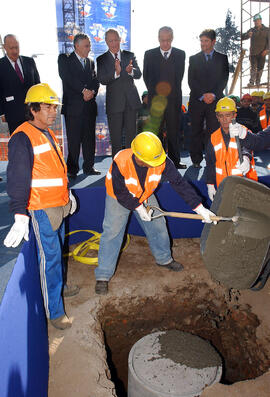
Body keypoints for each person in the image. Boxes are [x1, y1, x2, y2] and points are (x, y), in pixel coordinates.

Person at [94, 131, 216, 295]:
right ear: (138, 156)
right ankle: (103, 275)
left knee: (158, 225)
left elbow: (179, 184)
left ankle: (164, 259)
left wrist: (199, 208)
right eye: (149, 162)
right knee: (113, 231)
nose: (155, 165)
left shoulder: (161, 160)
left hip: (144, 194)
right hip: (118, 196)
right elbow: (120, 191)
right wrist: (138, 207)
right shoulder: (121, 160)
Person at [4, 83, 77, 330]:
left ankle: (60, 286)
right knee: (51, 258)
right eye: (48, 107)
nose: (54, 112)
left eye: (55, 107)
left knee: (58, 252)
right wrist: (19, 213)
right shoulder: (23, 137)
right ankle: (54, 312)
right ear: (33, 109)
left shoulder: (47, 132)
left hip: (59, 205)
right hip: (42, 208)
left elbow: (55, 170)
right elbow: (17, 177)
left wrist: (68, 195)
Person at [143, 26, 186, 169]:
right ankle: (157, 161)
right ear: (158, 39)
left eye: (168, 40)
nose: (165, 43)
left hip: (173, 101)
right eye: (162, 40)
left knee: (173, 132)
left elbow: (178, 78)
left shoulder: (180, 54)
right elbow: (147, 77)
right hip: (156, 102)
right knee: (157, 133)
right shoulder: (149, 54)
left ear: (172, 38)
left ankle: (175, 161)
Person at [58, 33, 100, 179]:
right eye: (87, 45)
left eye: (89, 45)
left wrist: (92, 91)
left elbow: (96, 80)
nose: (89, 48)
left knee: (89, 140)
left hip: (89, 107)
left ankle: (89, 166)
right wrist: (83, 90)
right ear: (77, 46)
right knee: (74, 140)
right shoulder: (65, 60)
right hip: (73, 109)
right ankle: (72, 169)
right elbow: (67, 77)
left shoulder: (90, 62)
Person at [97, 29, 141, 158]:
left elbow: (138, 74)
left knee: (131, 138)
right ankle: (117, 167)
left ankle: (131, 165)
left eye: (116, 39)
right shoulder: (101, 59)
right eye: (111, 41)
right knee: (115, 139)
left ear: (120, 39)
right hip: (114, 104)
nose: (114, 43)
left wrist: (130, 71)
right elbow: (102, 79)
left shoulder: (129, 55)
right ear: (106, 42)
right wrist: (116, 72)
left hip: (131, 103)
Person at [188, 29, 229, 168]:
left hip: (215, 102)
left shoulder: (222, 58)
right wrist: (203, 95)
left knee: (213, 132)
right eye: (201, 41)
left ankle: (212, 159)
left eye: (206, 41)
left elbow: (224, 79)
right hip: (197, 101)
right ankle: (196, 160)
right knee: (196, 131)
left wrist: (213, 95)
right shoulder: (193, 59)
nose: (203, 44)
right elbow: (191, 81)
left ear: (213, 41)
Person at [206, 97, 258, 201]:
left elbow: (246, 149)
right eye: (221, 116)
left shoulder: (244, 132)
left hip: (245, 185)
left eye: (228, 115)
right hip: (224, 187)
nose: (224, 119)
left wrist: (246, 158)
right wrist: (210, 184)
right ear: (217, 117)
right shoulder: (213, 138)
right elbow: (210, 163)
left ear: (234, 115)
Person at [0, 34, 40, 134]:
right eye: (11, 48)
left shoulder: (29, 62)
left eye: (17, 47)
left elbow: (37, 85)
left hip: (33, 113)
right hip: (13, 114)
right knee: (19, 145)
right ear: (4, 47)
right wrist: (1, 113)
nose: (14, 51)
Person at [242, 14, 269, 87]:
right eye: (255, 21)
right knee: (253, 68)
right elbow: (242, 37)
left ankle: (258, 82)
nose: (256, 22)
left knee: (260, 68)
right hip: (253, 53)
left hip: (262, 52)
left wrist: (267, 50)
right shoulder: (252, 30)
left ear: (261, 20)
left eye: (257, 21)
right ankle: (251, 82)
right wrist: (247, 35)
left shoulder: (267, 30)